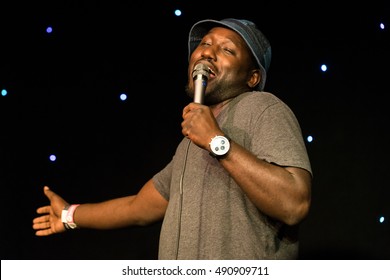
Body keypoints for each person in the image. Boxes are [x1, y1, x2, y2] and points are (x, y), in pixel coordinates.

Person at [32, 18, 312, 260]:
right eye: (204, 44)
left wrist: (217, 141)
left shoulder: (263, 107)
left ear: (252, 77)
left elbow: (294, 204)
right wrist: (69, 215)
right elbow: (138, 208)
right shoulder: (189, 145)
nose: (207, 53)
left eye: (227, 49)